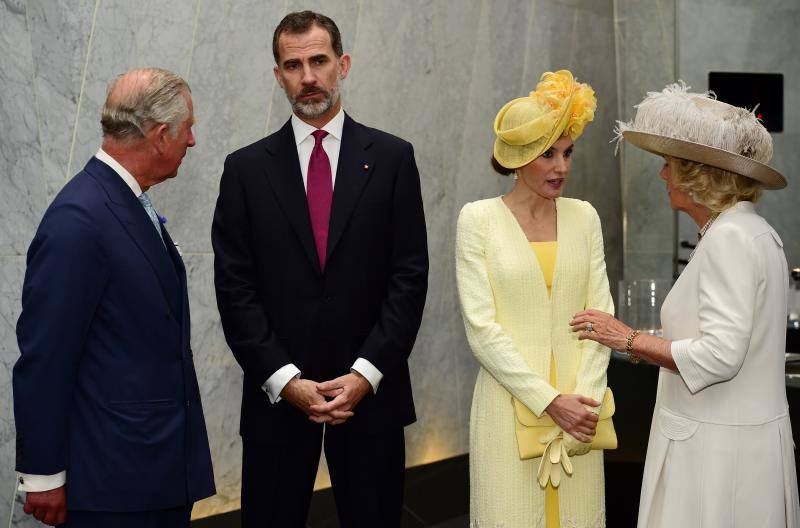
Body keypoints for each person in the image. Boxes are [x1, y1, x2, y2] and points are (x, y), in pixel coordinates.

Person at [211, 10, 428, 527]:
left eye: (318, 61)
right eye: (292, 64)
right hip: (278, 404)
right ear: (277, 75)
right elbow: (234, 289)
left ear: (343, 64)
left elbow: (409, 277)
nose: (307, 76)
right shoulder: (245, 170)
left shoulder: (394, 158)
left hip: (371, 400)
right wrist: (286, 381)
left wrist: (365, 374)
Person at [573, 82, 800, 527]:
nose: (661, 176)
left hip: (717, 458)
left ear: (699, 176)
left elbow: (720, 356)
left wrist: (629, 339)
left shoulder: (730, 239)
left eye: (669, 165)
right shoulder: (751, 231)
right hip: (733, 448)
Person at [12, 68, 216, 527]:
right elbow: (46, 355)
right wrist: (43, 475)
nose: (193, 141)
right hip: (115, 484)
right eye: (188, 129)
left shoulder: (123, 201)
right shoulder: (79, 219)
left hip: (151, 470)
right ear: (162, 136)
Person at [456, 70, 614, 528]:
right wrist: (549, 401)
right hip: (509, 410)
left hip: (582, 417)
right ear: (519, 157)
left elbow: (600, 319)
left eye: (567, 153)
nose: (561, 167)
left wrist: (583, 401)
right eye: (547, 154)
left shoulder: (584, 217)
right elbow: (482, 331)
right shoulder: (478, 220)